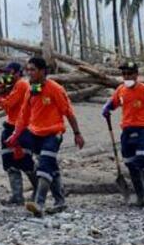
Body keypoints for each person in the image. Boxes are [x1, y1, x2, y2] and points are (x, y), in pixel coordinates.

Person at [5, 57, 85, 217]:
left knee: (44, 166)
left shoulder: (55, 89)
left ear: (42, 71)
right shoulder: (30, 90)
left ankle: (39, 203)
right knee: (51, 167)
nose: (29, 73)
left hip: (53, 133)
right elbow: (23, 116)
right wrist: (15, 134)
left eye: (33, 69)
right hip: (35, 134)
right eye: (28, 70)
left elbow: (68, 113)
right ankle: (60, 201)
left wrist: (77, 133)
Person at [102, 62, 144, 207]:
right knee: (130, 164)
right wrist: (107, 108)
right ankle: (140, 196)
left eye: (129, 74)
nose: (126, 77)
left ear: (136, 74)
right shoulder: (121, 89)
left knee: (142, 159)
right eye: (124, 74)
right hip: (127, 130)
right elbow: (114, 102)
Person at [0, 63, 36, 205]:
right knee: (10, 161)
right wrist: (1, 90)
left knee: (26, 162)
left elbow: (8, 103)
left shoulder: (23, 85)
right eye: (4, 73)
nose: (5, 76)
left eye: (8, 73)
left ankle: (40, 189)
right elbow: (8, 100)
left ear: (17, 73)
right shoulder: (15, 86)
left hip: (23, 127)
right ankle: (17, 196)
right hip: (11, 125)